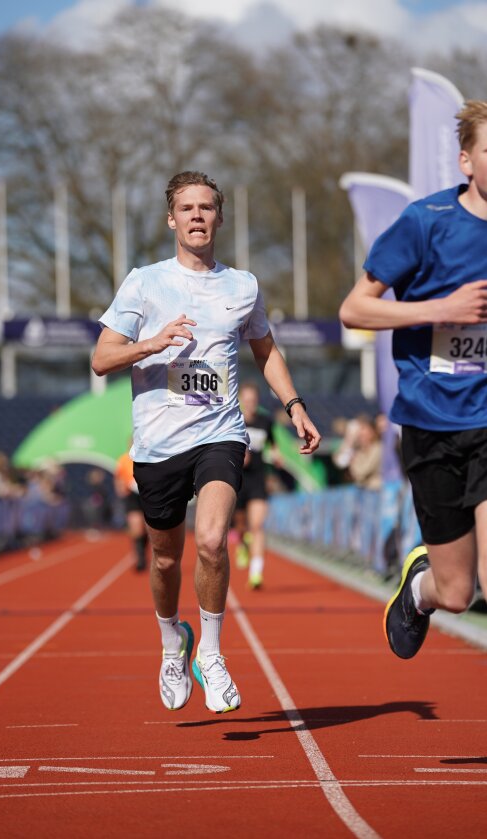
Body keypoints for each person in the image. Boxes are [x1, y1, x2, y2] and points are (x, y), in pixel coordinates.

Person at [92, 170, 321, 713]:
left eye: (206, 207)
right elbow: (101, 358)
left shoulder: (243, 286)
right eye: (186, 208)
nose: (197, 215)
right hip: (158, 443)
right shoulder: (144, 283)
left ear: (219, 217)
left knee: (214, 541)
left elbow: (265, 350)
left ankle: (212, 654)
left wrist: (294, 404)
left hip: (220, 432)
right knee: (165, 560)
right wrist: (152, 343)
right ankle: (172, 642)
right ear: (171, 220)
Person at [339, 100, 487, 660]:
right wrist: (440, 309)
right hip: (433, 422)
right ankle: (418, 590)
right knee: (457, 593)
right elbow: (354, 309)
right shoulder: (426, 222)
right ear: (466, 161)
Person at [233, 381, 282, 589]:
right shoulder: (234, 420)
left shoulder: (265, 422)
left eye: (253, 400)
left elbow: (273, 443)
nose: (250, 403)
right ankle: (242, 543)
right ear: (241, 401)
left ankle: (256, 573)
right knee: (241, 524)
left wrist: (277, 455)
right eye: (247, 400)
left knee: (257, 526)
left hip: (258, 478)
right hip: (238, 479)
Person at [114, 446, 148, 572]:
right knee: (136, 526)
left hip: (148, 493)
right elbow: (118, 476)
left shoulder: (149, 455)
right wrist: (120, 489)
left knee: (146, 527)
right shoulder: (123, 459)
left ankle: (144, 550)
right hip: (132, 495)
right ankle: (140, 558)